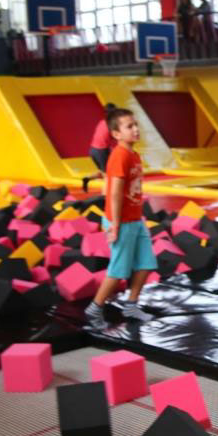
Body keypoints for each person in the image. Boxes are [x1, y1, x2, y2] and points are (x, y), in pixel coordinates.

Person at [84, 109, 157, 329]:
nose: (135, 129)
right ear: (116, 134)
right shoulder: (119, 156)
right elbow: (114, 193)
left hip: (135, 219)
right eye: (129, 126)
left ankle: (131, 305)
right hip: (121, 222)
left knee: (147, 263)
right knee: (119, 270)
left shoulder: (134, 154)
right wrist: (115, 225)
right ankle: (94, 309)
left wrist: (139, 216)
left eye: (136, 125)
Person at [82, 103, 118, 191]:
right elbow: (115, 137)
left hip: (93, 150)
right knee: (108, 175)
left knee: (103, 171)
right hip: (101, 151)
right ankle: (105, 195)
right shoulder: (111, 124)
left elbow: (104, 136)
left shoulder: (102, 122)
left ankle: (87, 178)